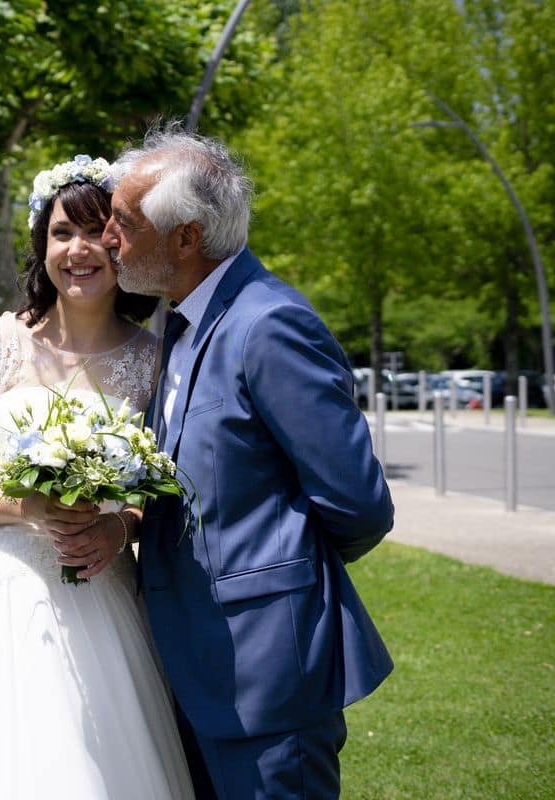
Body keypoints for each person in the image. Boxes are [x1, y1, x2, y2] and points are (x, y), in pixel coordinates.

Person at [91, 127, 395, 799]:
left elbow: (359, 505)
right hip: (192, 662)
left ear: (185, 237)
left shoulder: (269, 323)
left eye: (123, 223)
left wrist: (274, 578)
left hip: (267, 675)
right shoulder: (180, 326)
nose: (106, 238)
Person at [0, 156, 195, 799]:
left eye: (96, 232)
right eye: (60, 233)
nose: (78, 250)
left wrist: (118, 526)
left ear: (121, 244)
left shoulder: (156, 359)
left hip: (105, 591)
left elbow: (164, 481)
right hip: (0, 589)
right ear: (39, 244)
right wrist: (29, 508)